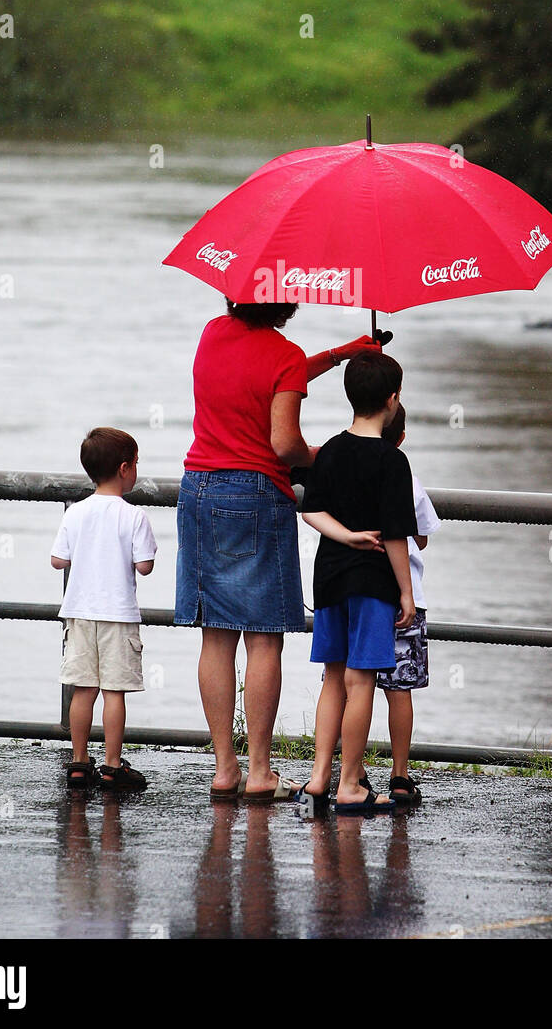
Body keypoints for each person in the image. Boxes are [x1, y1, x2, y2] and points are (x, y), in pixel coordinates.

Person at [174, 298, 382, 803]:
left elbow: (269, 374)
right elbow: (284, 443)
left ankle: (225, 768)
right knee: (264, 637)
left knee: (216, 636)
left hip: (198, 488)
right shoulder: (283, 355)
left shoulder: (211, 332)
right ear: (284, 301)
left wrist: (339, 355)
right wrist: (326, 456)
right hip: (254, 495)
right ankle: (261, 770)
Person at [300, 352, 417, 813]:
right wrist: (406, 592)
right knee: (360, 678)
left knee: (333, 677)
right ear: (392, 400)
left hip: (329, 576)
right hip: (371, 582)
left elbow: (310, 510)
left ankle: (317, 777)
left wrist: (344, 535)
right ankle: (350, 783)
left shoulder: (329, 449)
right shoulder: (392, 460)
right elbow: (395, 535)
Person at [51, 427, 156, 792]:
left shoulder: (75, 513)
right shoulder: (134, 516)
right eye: (137, 463)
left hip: (79, 612)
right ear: (125, 468)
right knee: (114, 693)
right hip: (119, 615)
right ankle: (112, 766)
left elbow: (57, 559)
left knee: (83, 690)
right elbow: (144, 565)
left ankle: (79, 762)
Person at [376, 402, 439, 804]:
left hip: (356, 592)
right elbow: (423, 536)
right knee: (400, 690)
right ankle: (399, 775)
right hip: (404, 597)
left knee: (349, 685)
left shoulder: (348, 468)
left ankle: (352, 770)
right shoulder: (406, 476)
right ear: (401, 438)